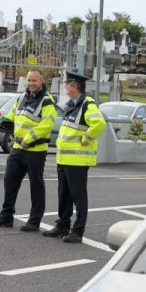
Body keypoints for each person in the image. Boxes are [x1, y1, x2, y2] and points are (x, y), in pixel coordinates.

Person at [0, 68, 58, 231]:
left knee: (36, 186)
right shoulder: (22, 97)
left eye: (34, 80)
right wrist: (0, 121)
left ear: (41, 82)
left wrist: (29, 138)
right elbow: (13, 115)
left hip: (35, 150)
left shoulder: (47, 101)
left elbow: (47, 125)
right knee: (10, 181)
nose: (31, 83)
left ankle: (34, 221)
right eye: (29, 80)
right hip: (18, 148)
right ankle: (6, 216)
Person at [42, 71, 106, 243]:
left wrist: (87, 138)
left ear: (74, 86)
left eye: (67, 84)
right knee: (64, 194)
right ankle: (62, 225)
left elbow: (99, 123)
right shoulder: (72, 104)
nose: (65, 87)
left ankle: (78, 231)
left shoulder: (87, 104)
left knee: (78, 196)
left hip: (77, 160)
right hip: (64, 159)